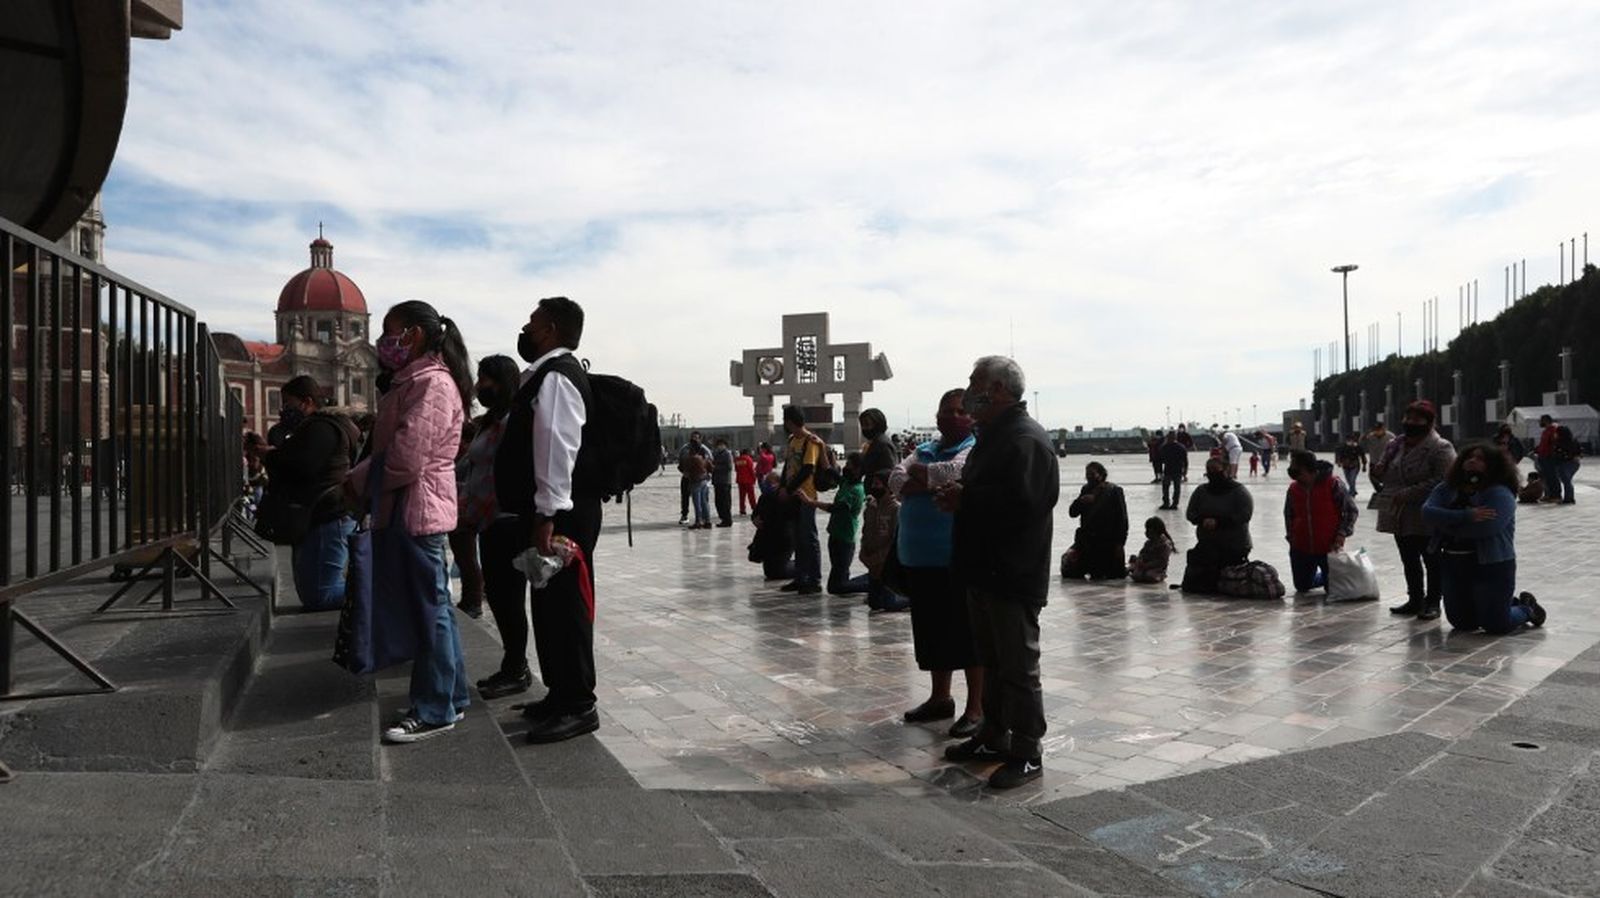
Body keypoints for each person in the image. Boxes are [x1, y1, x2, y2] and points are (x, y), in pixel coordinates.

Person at [347, 301, 472, 744]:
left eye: (389, 332)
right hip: (414, 507)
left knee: (431, 612)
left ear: (414, 335)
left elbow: (406, 457)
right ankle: (451, 696)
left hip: (418, 510)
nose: (384, 342)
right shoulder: (416, 381)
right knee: (436, 607)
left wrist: (354, 481)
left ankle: (435, 706)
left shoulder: (431, 385)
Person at [939, 358, 1059, 790]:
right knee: (991, 660)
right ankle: (994, 734)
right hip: (984, 570)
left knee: (1018, 666)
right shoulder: (994, 435)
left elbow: (1026, 505)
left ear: (999, 389)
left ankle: (1028, 750)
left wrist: (966, 500)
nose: (968, 390)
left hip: (1012, 573)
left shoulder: (1025, 440)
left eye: (975, 383)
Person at [497, 296, 605, 744]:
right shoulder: (545, 375)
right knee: (547, 605)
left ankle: (579, 704)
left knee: (567, 607)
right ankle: (559, 693)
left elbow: (556, 448)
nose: (526, 327)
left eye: (533, 322)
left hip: (561, 514)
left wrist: (547, 513)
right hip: (550, 511)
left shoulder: (558, 378)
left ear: (552, 329)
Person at [891, 388, 982, 737]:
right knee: (931, 633)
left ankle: (977, 706)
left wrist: (924, 478)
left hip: (955, 557)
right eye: (947, 410)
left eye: (961, 411)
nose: (953, 416)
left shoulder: (973, 447)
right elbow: (896, 478)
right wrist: (928, 480)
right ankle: (939, 698)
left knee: (967, 634)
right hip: (918, 558)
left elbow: (954, 473)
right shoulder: (923, 449)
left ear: (972, 416)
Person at [458, 356, 532, 700]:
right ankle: (512, 665)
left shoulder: (515, 421)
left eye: (485, 380)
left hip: (508, 522)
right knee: (501, 599)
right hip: (486, 521)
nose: (479, 387)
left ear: (502, 382)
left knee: (509, 598)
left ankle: (516, 668)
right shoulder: (489, 422)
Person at [259, 375, 360, 611]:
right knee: (312, 593)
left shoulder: (321, 428)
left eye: (288, 404)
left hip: (326, 514)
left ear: (306, 402)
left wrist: (270, 456)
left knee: (321, 595)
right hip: (319, 515)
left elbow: (302, 465)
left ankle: (384, 594)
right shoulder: (325, 426)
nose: (284, 410)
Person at [1422, 442, 1546, 633]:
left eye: (1480, 459)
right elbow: (1428, 513)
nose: (1472, 461)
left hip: (1492, 563)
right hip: (1453, 561)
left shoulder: (1499, 492)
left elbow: (1487, 528)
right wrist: (1467, 516)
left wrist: (1446, 525)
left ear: (1493, 465)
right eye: (1469, 457)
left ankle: (1526, 608)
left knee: (1496, 625)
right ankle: (1500, 603)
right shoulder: (1447, 488)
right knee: (1463, 624)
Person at [1373, 400, 1456, 621]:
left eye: (1417, 419)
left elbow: (1444, 479)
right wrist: (1378, 472)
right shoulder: (1395, 445)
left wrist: (1410, 492)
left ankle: (1433, 602)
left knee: (1431, 559)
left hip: (1427, 514)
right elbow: (1386, 472)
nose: (1410, 423)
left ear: (1428, 422)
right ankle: (1415, 598)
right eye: (1407, 418)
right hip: (1399, 514)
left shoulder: (1440, 447)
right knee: (1408, 558)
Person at [1283, 449, 1358, 595]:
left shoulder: (1333, 484)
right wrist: (1291, 536)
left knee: (1332, 590)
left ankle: (1333, 577)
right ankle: (1325, 577)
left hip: (1328, 546)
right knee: (1302, 586)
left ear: (1309, 469)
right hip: (1301, 546)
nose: (1293, 473)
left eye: (1297, 469)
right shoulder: (1293, 488)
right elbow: (1288, 514)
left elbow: (1351, 511)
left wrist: (1341, 535)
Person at [1181, 455, 1254, 593]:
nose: (1212, 473)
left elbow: (1244, 515)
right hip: (1207, 545)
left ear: (1226, 470)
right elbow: (1191, 513)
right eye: (1209, 470)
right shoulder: (1201, 491)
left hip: (1234, 546)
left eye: (1215, 469)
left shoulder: (1239, 492)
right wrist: (1202, 520)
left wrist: (1219, 522)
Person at [777, 405, 825, 594]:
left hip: (806, 496)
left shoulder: (809, 441)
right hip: (792, 496)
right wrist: (782, 486)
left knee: (809, 538)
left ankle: (814, 580)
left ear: (789, 422)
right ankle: (800, 577)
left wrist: (789, 489)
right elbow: (788, 466)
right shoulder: (792, 441)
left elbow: (807, 469)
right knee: (797, 538)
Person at [804, 452, 866, 595]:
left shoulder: (857, 490)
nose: (846, 467)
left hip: (845, 539)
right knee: (838, 580)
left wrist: (811, 502)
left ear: (857, 469)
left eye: (849, 465)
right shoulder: (846, 482)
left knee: (837, 587)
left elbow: (835, 509)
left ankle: (871, 584)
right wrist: (820, 446)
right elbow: (828, 469)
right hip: (835, 535)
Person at [1061, 462, 1129, 580]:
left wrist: (1120, 543)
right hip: (1089, 542)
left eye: (1092, 474)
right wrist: (1081, 501)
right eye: (1087, 474)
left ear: (1101, 475)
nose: (1089, 477)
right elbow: (1072, 513)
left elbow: (1122, 518)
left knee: (1109, 575)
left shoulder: (1114, 491)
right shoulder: (1086, 490)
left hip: (1107, 541)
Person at [449, 416, 486, 619]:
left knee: (467, 557)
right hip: (459, 511)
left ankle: (473, 600)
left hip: (464, 512)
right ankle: (470, 598)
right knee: (464, 557)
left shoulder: (468, 458)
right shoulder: (465, 456)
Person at [857, 469, 908, 611]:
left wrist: (879, 558)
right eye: (873, 484)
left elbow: (894, 540)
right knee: (874, 604)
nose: (874, 487)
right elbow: (865, 532)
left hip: (886, 562)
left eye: (877, 484)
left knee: (889, 604)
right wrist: (864, 554)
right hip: (872, 562)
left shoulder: (895, 509)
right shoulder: (870, 508)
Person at [749, 471, 795, 581]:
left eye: (770, 482)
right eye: (766, 482)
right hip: (768, 538)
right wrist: (755, 520)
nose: (766, 484)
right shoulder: (764, 497)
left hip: (782, 539)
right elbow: (755, 514)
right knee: (770, 572)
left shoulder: (785, 497)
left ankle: (802, 565)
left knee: (778, 572)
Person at [1128, 517, 1175, 584]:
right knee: (1136, 576)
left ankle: (1160, 576)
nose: (1146, 532)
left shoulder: (1164, 545)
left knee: (1149, 576)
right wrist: (1140, 560)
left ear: (1156, 531)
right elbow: (1142, 553)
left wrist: (1147, 565)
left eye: (1148, 530)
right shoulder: (1148, 543)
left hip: (1157, 568)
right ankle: (1134, 568)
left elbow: (1161, 561)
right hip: (1145, 565)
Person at [677, 432, 710, 524]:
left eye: (696, 437)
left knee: (702, 499)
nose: (694, 439)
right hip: (687, 477)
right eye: (693, 437)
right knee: (685, 497)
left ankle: (703, 518)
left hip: (700, 478)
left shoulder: (704, 449)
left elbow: (709, 462)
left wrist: (706, 475)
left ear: (700, 438)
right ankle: (685, 515)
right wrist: (684, 472)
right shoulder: (685, 449)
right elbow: (681, 462)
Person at [858, 408, 897, 481]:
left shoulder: (882, 444)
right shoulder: (874, 442)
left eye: (867, 424)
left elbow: (889, 471)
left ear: (878, 424)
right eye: (862, 425)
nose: (864, 428)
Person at [1550, 424, 1581, 505]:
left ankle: (1569, 498)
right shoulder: (1573, 440)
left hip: (1564, 463)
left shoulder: (1561, 442)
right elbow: (1579, 451)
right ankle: (1569, 497)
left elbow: (1559, 453)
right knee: (1567, 481)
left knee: (1566, 481)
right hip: (1573, 463)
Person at [1533, 414, 1560, 501]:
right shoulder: (1546, 431)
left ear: (1546, 421)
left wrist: (1551, 455)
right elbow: (1543, 444)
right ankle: (1549, 495)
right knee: (1546, 478)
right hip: (1543, 457)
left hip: (1549, 457)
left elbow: (1553, 444)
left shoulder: (1553, 430)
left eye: (1541, 420)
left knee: (1553, 477)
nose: (1540, 422)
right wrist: (1536, 450)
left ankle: (1556, 495)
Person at [1158, 430, 1188, 510]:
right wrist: (1185, 472)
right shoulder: (1181, 447)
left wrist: (1160, 472)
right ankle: (1174, 503)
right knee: (1176, 488)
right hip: (1177, 470)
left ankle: (1166, 503)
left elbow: (1160, 460)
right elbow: (1185, 461)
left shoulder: (1164, 447)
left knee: (1166, 487)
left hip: (1168, 470)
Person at [1362, 423, 1394, 493]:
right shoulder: (1370, 437)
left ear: (1383, 429)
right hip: (1374, 461)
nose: (1377, 432)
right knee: (1372, 477)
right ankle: (1379, 490)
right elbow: (1361, 442)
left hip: (1386, 462)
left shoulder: (1390, 436)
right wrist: (1366, 433)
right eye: (1375, 430)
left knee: (1387, 477)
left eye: (1379, 430)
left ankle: (1385, 490)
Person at [711, 437, 735, 527]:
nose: (719, 447)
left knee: (725, 502)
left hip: (725, 481)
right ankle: (722, 518)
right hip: (717, 481)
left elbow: (729, 467)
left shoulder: (727, 454)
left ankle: (727, 520)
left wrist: (715, 468)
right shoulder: (716, 454)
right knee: (718, 502)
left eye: (721, 445)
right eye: (718, 445)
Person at [1333, 432, 1364, 497]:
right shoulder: (1343, 447)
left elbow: (1362, 455)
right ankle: (1353, 490)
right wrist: (1338, 462)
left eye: (1352, 440)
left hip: (1354, 465)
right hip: (1345, 466)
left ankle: (1351, 492)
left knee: (1352, 479)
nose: (1351, 442)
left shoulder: (1357, 447)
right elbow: (1338, 454)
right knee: (1348, 479)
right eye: (1350, 440)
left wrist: (1364, 465)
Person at [734, 448, 758, 515]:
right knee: (751, 496)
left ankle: (742, 509)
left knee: (742, 496)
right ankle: (754, 508)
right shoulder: (748, 459)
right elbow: (751, 470)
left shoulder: (737, 460)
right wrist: (754, 478)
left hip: (740, 480)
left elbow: (736, 469)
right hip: (748, 480)